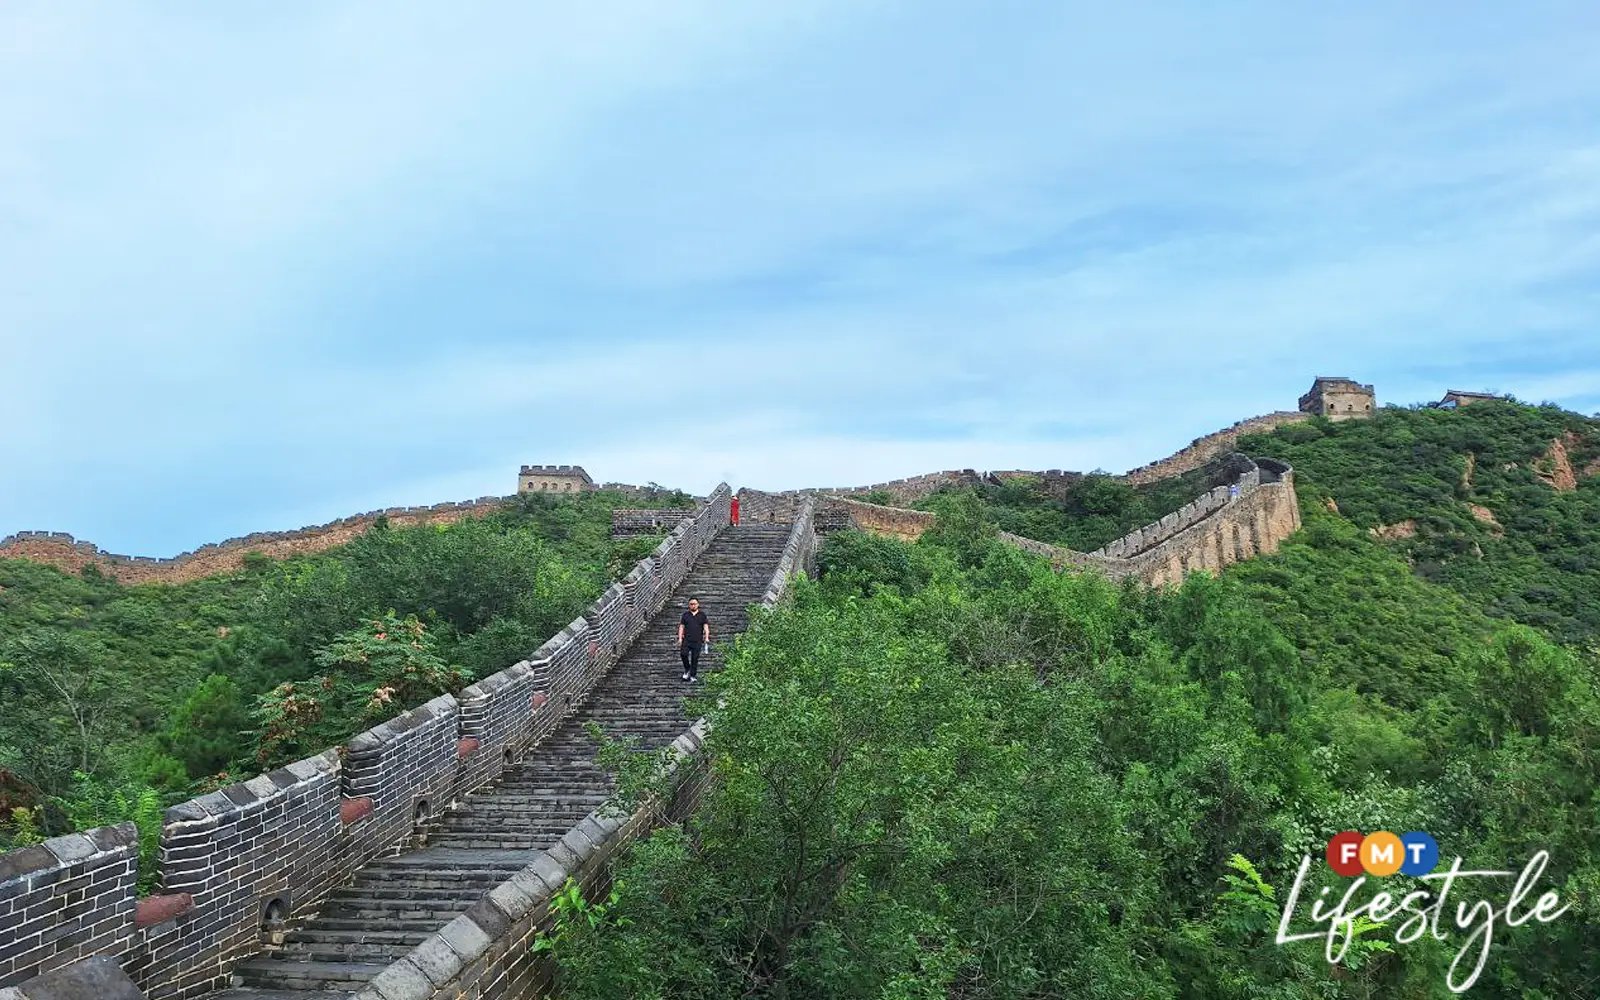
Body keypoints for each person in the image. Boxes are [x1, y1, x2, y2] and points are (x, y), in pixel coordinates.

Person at [678, 597, 710, 681]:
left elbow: (706, 627)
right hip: (687, 640)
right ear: (689, 605)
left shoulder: (702, 615)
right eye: (691, 604)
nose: (693, 606)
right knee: (683, 654)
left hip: (697, 640)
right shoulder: (685, 615)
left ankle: (693, 675)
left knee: (695, 658)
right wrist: (680, 638)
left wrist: (706, 637)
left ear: (698, 604)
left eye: (694, 604)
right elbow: (681, 627)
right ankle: (687, 669)